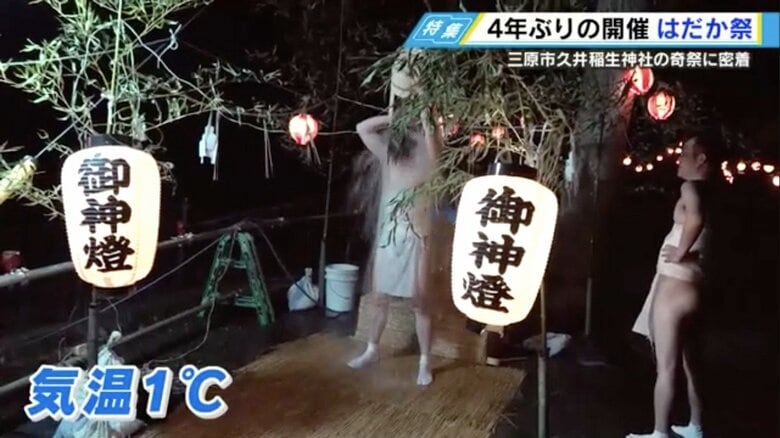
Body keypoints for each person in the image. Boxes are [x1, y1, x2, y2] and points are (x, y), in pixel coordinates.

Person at [627, 134, 720, 438]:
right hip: (695, 284)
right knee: (692, 364)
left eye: (684, 153)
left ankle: (659, 432)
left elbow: (695, 219)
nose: (679, 159)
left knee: (666, 367)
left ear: (701, 159)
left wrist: (680, 252)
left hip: (674, 284)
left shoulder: (691, 187)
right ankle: (696, 425)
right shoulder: (717, 192)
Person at [346, 100, 442, 386]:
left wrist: (423, 118)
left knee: (421, 303)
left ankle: (425, 362)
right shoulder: (389, 154)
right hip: (390, 233)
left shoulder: (429, 152)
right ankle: (371, 349)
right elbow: (362, 128)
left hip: (417, 235)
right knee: (380, 297)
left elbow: (433, 140)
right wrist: (394, 118)